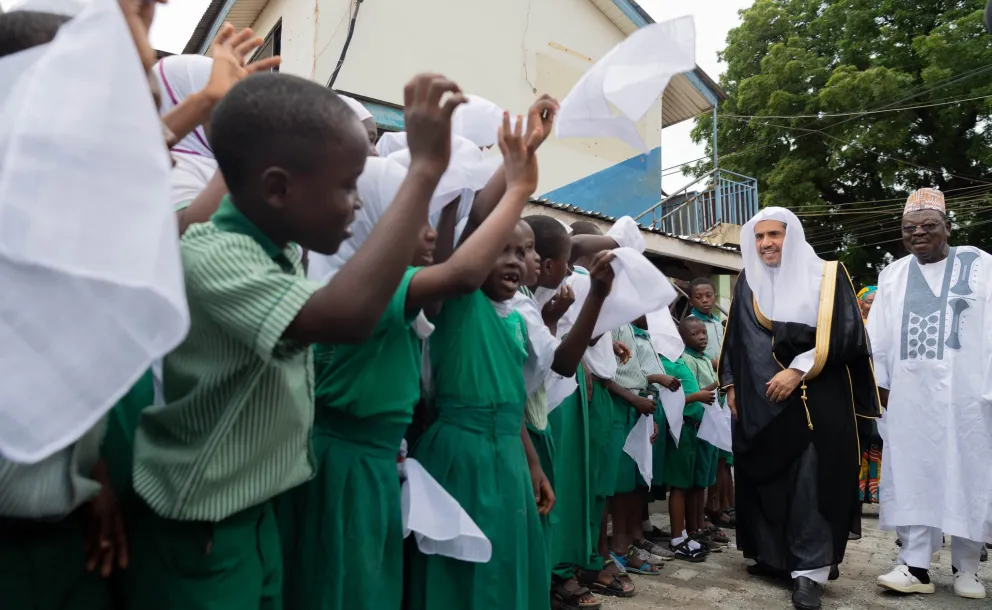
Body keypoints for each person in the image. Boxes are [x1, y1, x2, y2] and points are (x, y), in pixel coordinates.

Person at [125, 72, 466, 609]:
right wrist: (423, 171)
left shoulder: (276, 252)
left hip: (255, 515)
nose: (356, 205)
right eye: (346, 185)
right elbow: (344, 317)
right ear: (278, 188)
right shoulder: (216, 254)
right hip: (206, 529)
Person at [406, 115, 614, 609]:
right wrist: (514, 173)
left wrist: (534, 461)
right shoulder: (457, 302)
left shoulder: (519, 318)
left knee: (508, 572)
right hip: (458, 457)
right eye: (499, 251)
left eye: (522, 253)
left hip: (509, 458)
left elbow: (525, 392)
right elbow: (467, 228)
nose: (514, 262)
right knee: (461, 577)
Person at [720, 207, 881, 610]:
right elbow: (735, 338)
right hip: (761, 408)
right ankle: (776, 558)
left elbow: (846, 334)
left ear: (792, 235)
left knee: (811, 484)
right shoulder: (747, 283)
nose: (766, 244)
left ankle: (808, 573)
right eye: (759, 237)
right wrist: (732, 384)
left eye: (775, 234)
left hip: (816, 402)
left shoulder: (826, 276)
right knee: (768, 481)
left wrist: (797, 370)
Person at [870, 188, 992, 600]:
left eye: (928, 226)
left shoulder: (980, 265)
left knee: (969, 474)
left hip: (969, 398)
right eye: (909, 228)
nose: (918, 234)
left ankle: (968, 569)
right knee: (914, 473)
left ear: (947, 228)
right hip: (911, 398)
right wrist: (879, 387)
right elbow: (879, 338)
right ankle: (915, 566)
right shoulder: (893, 274)